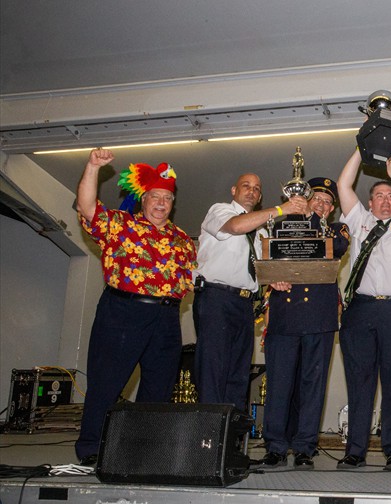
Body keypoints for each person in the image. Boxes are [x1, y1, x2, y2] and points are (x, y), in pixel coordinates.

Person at [74, 148, 196, 465]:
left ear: (173, 203)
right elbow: (87, 208)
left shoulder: (182, 238)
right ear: (143, 199)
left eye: (166, 198)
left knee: (158, 389)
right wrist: (92, 168)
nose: (160, 203)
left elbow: (193, 277)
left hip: (167, 318)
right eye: (155, 196)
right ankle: (90, 449)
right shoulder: (121, 225)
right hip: (123, 312)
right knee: (106, 383)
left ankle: (141, 452)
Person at [335, 149, 391, 471]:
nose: (385, 201)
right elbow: (343, 185)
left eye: (390, 196)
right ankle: (355, 450)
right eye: (379, 196)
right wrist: (360, 149)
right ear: (369, 203)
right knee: (359, 383)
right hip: (361, 310)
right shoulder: (359, 221)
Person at [193, 173, 306, 412]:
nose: (251, 191)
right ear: (234, 190)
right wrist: (281, 209)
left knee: (239, 372)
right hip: (216, 298)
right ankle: (209, 440)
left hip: (244, 305)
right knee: (213, 370)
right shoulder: (220, 211)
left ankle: (231, 439)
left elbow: (262, 268)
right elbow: (236, 226)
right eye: (246, 186)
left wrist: (276, 279)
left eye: (257, 188)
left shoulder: (262, 231)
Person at [260, 177, 350, 469]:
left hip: (319, 318)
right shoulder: (280, 224)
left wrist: (311, 218)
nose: (322, 205)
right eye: (317, 200)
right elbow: (266, 255)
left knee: (313, 387)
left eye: (327, 202)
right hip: (284, 316)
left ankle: (304, 447)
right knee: (279, 384)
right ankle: (274, 445)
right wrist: (273, 276)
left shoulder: (337, 229)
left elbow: (335, 248)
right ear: (307, 201)